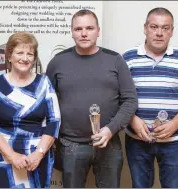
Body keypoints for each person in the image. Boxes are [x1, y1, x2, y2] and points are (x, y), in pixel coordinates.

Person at [46, 9, 138, 188]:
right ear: (72, 32)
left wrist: (111, 129)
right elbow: (46, 102)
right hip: (70, 145)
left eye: (89, 28)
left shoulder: (115, 60)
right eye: (78, 29)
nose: (84, 33)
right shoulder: (58, 62)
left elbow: (130, 100)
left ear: (98, 31)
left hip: (109, 142)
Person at [122, 7, 178, 188]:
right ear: (145, 28)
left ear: (172, 31)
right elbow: (118, 96)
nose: (159, 33)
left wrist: (175, 124)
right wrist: (132, 120)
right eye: (154, 27)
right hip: (137, 140)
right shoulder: (128, 58)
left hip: (173, 141)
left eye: (165, 28)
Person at [0, 31, 60, 188]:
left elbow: (54, 121)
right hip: (6, 158)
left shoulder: (44, 83)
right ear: (9, 56)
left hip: (38, 159)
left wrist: (39, 153)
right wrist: (12, 156)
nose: (25, 58)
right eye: (20, 52)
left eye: (30, 54)